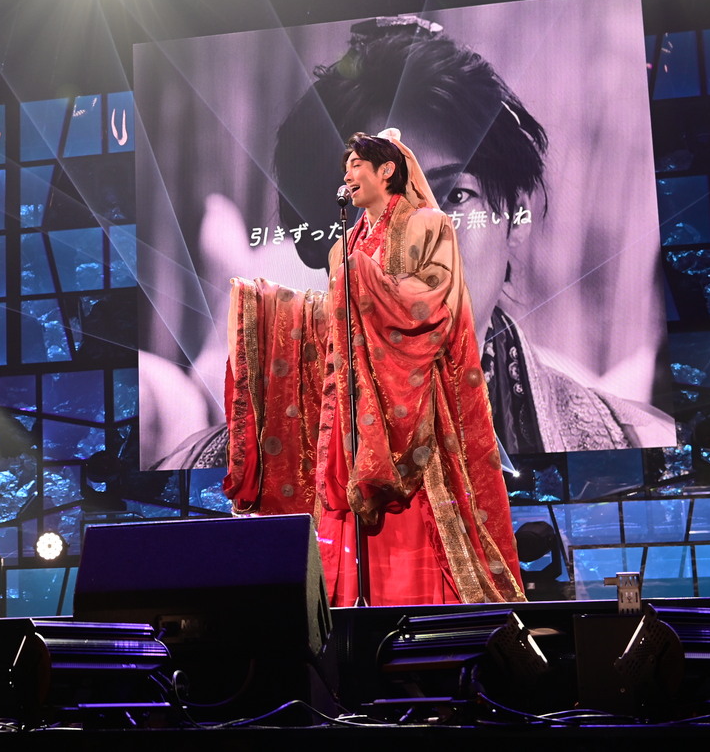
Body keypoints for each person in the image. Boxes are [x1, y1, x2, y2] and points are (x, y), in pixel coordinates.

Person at [144, 14, 673, 469]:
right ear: (315, 242)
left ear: (515, 219)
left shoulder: (633, 447)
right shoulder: (208, 476)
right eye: (375, 203)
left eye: (455, 196)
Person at [224, 131, 526, 605]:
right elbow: (335, 324)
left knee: (423, 526)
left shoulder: (428, 224)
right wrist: (271, 309)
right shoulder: (346, 243)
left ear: (387, 171)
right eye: (345, 166)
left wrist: (364, 279)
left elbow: (432, 300)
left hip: (415, 406)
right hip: (356, 414)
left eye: (356, 165)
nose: (347, 175)